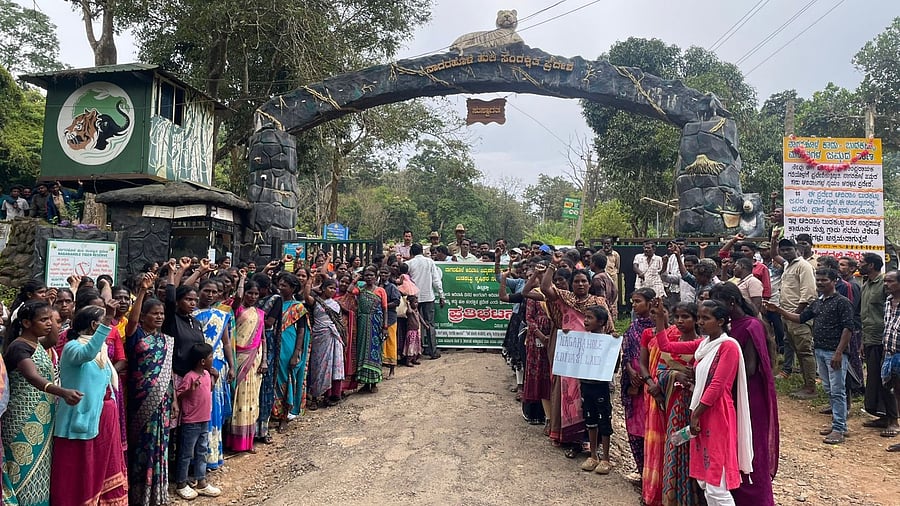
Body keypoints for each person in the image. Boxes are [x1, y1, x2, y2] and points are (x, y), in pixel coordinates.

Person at [653, 299, 753, 506]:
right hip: (701, 411)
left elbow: (717, 385)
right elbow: (666, 346)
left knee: (717, 482)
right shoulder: (704, 345)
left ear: (721, 321)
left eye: (705, 318)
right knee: (704, 481)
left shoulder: (728, 347)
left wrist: (696, 414)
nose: (700, 322)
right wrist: (661, 319)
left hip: (716, 413)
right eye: (699, 318)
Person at [3, 301, 80, 506]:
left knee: (41, 468)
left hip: (44, 417)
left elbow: (53, 338)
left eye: (50, 320)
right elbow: (32, 376)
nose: (49, 324)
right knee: (22, 464)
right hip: (22, 417)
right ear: (27, 322)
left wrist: (53, 316)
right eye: (43, 320)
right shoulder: (19, 346)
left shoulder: (38, 344)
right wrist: (61, 392)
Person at [766, 268, 855, 444]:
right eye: (818, 280)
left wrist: (839, 352)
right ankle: (839, 424)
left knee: (837, 390)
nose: (820, 283)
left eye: (824, 280)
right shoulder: (818, 302)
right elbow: (800, 318)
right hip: (820, 351)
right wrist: (779, 311)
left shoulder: (842, 302)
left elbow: (848, 328)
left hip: (834, 353)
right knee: (830, 389)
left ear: (835, 281)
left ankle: (838, 428)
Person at [51, 304, 128, 506]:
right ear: (95, 325)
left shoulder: (100, 349)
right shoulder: (73, 348)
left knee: (102, 463)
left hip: (102, 415)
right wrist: (106, 321)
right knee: (81, 467)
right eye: (105, 322)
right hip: (80, 418)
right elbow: (87, 353)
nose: (109, 325)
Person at [710, 283, 779, 505]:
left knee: (751, 447)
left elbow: (749, 368)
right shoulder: (729, 326)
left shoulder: (751, 326)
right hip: (732, 394)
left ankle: (757, 498)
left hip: (749, 395)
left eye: (717, 303)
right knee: (734, 446)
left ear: (732, 302)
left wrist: (717, 376)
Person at [540, 264, 614, 459]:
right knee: (571, 401)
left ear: (589, 284)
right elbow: (546, 288)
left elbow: (609, 328)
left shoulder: (599, 302)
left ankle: (593, 445)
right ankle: (574, 441)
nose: (580, 284)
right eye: (576, 281)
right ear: (571, 285)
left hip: (590, 360)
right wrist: (549, 268)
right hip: (571, 358)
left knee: (589, 400)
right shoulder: (566, 299)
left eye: (583, 281)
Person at [639, 301, 703, 506]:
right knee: (673, 447)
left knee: (690, 448)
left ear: (696, 319)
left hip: (692, 405)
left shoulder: (701, 345)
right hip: (668, 402)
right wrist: (671, 376)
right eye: (678, 317)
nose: (681, 321)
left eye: (686, 317)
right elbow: (660, 367)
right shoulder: (673, 341)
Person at [125, 273, 174, 506]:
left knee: (160, 445)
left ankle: (157, 493)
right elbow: (131, 322)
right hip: (140, 401)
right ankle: (138, 495)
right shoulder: (136, 337)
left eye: (161, 314)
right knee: (142, 446)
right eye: (154, 314)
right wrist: (143, 291)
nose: (159, 317)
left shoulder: (166, 340)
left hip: (163, 403)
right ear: (143, 316)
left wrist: (173, 400)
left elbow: (169, 374)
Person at [192, 278, 234, 469]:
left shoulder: (221, 315)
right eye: (206, 291)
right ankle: (195, 459)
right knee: (197, 411)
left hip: (216, 364)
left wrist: (232, 366)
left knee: (214, 410)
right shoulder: (190, 315)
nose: (209, 295)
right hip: (196, 367)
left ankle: (212, 455)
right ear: (198, 291)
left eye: (213, 292)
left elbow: (225, 342)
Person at [175, 343, 221, 499]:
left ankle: (201, 481)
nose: (212, 359)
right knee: (186, 453)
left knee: (202, 451)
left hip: (204, 419)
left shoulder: (207, 375)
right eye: (210, 357)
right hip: (191, 421)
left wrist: (216, 377)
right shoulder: (189, 377)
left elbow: (209, 390)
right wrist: (190, 389)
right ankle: (181, 483)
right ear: (202, 361)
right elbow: (179, 395)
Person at [620, 287, 656, 483]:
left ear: (650, 303)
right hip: (633, 383)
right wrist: (630, 371)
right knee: (635, 426)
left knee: (650, 426)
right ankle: (641, 468)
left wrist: (645, 376)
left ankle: (652, 472)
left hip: (650, 382)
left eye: (638, 301)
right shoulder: (633, 327)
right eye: (633, 301)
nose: (634, 305)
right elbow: (626, 352)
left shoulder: (659, 327)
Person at [859, 254, 897, 435]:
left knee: (887, 381)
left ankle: (893, 420)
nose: (859, 265)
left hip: (884, 341)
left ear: (871, 265)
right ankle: (882, 415)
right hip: (869, 338)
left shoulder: (883, 286)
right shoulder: (866, 285)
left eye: (862, 263)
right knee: (874, 379)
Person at [227, 275, 266, 452]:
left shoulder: (259, 314)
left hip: (254, 359)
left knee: (252, 400)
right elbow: (237, 299)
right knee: (238, 399)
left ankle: (248, 441)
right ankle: (233, 441)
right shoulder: (236, 309)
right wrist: (241, 281)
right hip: (238, 358)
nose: (252, 296)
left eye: (256, 294)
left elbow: (263, 338)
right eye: (249, 293)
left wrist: (264, 360)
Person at [576, 305, 615, 475]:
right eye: (585, 317)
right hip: (586, 385)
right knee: (590, 420)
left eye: (590, 318)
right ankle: (593, 455)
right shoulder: (581, 340)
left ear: (601, 322)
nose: (585, 320)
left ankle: (606, 458)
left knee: (604, 421)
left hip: (601, 387)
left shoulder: (609, 342)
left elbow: (615, 366)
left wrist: (613, 344)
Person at [776, 238, 818, 398]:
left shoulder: (804, 266)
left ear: (796, 249)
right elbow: (774, 254)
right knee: (798, 351)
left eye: (788, 249)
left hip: (798, 316)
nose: (785, 252)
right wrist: (774, 239)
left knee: (805, 351)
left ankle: (810, 388)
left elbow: (808, 294)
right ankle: (806, 383)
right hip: (787, 315)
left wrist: (797, 315)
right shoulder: (787, 265)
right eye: (783, 250)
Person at [273, 272, 312, 430]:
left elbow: (302, 331)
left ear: (293, 288)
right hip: (273, 344)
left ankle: (284, 415)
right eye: (280, 284)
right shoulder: (274, 302)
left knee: (286, 378)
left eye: (284, 285)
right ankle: (273, 412)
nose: (280, 287)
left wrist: (296, 353)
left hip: (289, 344)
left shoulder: (298, 307)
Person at [306, 277, 345, 407]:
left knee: (334, 365)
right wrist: (311, 279)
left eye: (335, 288)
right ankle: (315, 397)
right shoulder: (316, 301)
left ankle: (332, 395)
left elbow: (340, 322)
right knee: (319, 366)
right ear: (323, 288)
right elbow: (306, 295)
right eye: (330, 288)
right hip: (320, 337)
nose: (333, 290)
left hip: (334, 336)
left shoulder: (336, 304)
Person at [254, 272, 282, 445]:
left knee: (265, 385)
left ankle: (262, 429)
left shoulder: (274, 300)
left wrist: (251, 318)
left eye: (258, 290)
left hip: (266, 343)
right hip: (251, 342)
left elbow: (269, 323)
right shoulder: (253, 301)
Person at [405, 243, 445, 360]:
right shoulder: (429, 262)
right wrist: (441, 295)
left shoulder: (409, 264)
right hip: (428, 297)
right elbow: (436, 280)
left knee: (413, 326)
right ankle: (433, 351)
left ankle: (414, 353)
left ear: (411, 253)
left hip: (413, 298)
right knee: (429, 324)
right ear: (422, 251)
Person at [354, 267, 388, 393]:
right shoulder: (360, 289)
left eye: (371, 275)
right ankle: (365, 382)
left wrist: (385, 327)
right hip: (362, 323)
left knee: (375, 350)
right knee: (362, 350)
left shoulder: (380, 291)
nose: (369, 277)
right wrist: (357, 278)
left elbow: (384, 309)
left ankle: (374, 382)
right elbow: (349, 290)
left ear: (376, 276)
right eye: (366, 275)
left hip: (376, 323)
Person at [880, 270, 900, 452]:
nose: (886, 284)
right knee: (897, 394)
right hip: (890, 353)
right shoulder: (888, 303)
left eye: (890, 281)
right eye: (885, 281)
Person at [378, 266, 401, 379]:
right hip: (378, 318)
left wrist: (384, 305)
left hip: (390, 318)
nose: (383, 275)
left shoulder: (392, 287)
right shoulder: (376, 286)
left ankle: (392, 370)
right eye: (381, 273)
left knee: (391, 342)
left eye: (385, 273)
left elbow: (397, 301)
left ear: (389, 275)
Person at [404, 295, 425, 365]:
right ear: (410, 303)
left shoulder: (416, 311)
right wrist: (408, 304)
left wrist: (425, 325)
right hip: (411, 332)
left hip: (417, 331)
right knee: (411, 346)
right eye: (415, 302)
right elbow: (409, 312)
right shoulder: (410, 311)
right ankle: (408, 360)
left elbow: (420, 318)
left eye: (417, 302)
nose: (416, 304)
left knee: (416, 345)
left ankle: (414, 359)